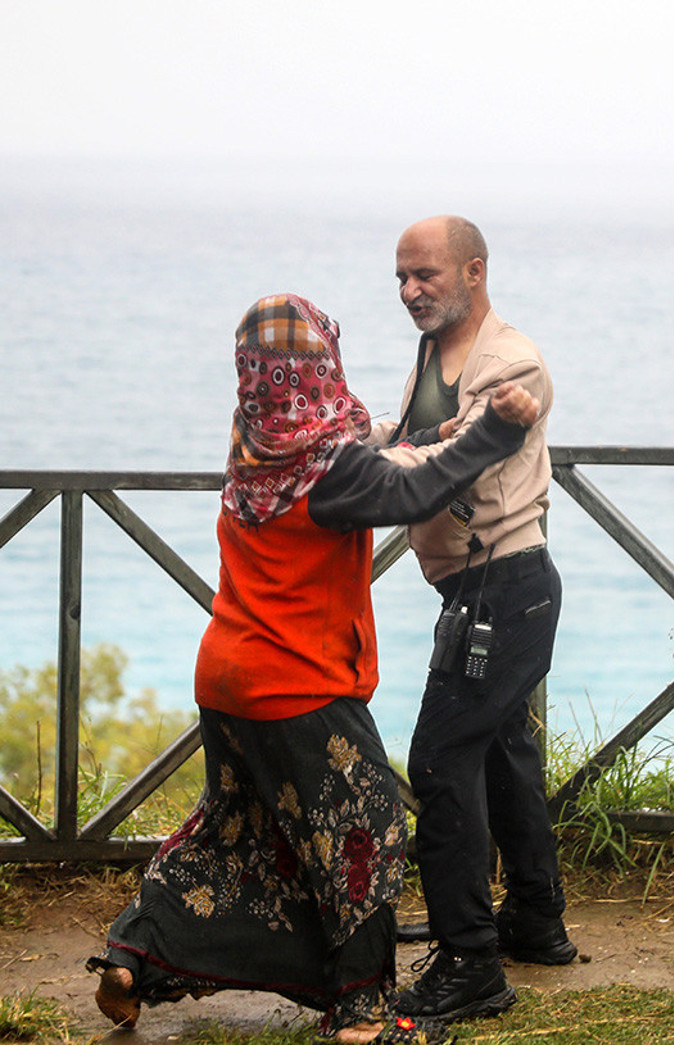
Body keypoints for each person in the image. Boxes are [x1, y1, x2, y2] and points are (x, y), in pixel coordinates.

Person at [87, 292, 541, 1043]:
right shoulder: (329, 472)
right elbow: (410, 488)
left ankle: (134, 954)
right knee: (368, 830)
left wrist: (434, 429)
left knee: (231, 829)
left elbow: (360, 440)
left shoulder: (257, 432)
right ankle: (362, 1016)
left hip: (227, 675)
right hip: (297, 684)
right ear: (322, 362)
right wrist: (494, 430)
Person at [366, 217, 577, 1023]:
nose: (410, 291)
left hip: (509, 592)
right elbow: (420, 434)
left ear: (475, 271)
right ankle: (536, 918)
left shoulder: (512, 361)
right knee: (501, 749)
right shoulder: (433, 349)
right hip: (478, 592)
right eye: (400, 278)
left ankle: (469, 962)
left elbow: (452, 455)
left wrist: (357, 466)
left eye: (424, 275)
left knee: (438, 757)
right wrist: (362, 434)